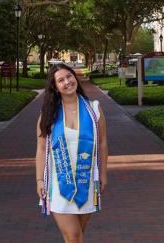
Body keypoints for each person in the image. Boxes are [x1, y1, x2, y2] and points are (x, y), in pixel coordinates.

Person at [36, 63, 108, 243]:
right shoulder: (49, 113)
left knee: (76, 236)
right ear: (55, 87)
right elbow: (41, 148)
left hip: (87, 181)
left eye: (69, 76)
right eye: (61, 80)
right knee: (74, 236)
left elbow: (103, 143)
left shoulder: (94, 109)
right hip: (59, 183)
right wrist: (39, 179)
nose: (67, 82)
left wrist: (104, 174)